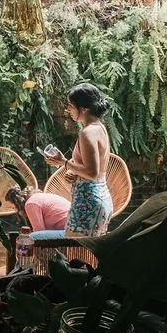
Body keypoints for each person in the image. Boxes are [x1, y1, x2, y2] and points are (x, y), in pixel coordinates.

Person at [43, 83, 114, 237]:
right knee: (86, 257)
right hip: (98, 199)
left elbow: (92, 172)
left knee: (76, 256)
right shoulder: (99, 128)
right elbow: (94, 168)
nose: (68, 110)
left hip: (88, 204)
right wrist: (74, 171)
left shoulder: (87, 133)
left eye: (70, 105)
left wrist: (64, 162)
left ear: (84, 109)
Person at [5, 185, 70, 232]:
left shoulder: (31, 203)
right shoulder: (38, 197)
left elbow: (39, 232)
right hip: (74, 222)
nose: (15, 209)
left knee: (34, 236)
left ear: (17, 202)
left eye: (14, 206)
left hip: (68, 227)